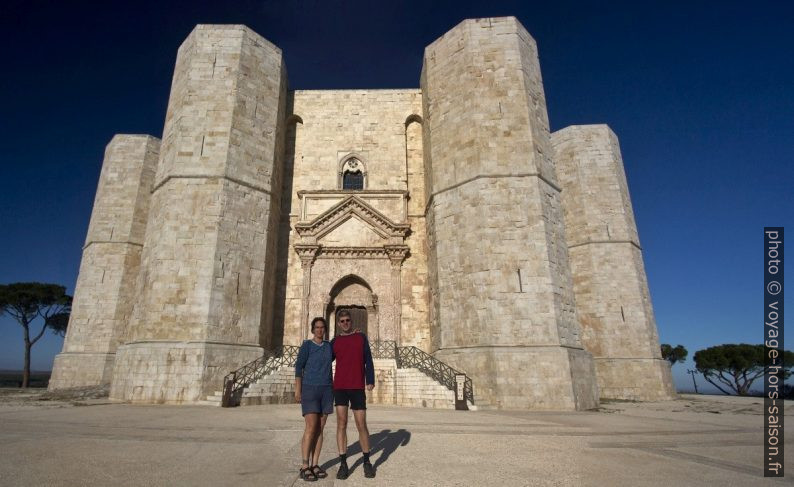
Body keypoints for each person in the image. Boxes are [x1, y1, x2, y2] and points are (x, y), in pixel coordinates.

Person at [331, 309, 376, 479]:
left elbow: (368, 359)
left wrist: (370, 379)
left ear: (352, 321)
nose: (345, 323)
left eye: (347, 320)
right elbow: (324, 358)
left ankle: (366, 461)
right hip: (340, 387)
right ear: (338, 323)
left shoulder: (361, 337)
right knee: (341, 423)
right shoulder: (334, 342)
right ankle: (343, 463)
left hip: (357, 386)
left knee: (361, 424)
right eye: (342, 321)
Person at [294, 317, 334, 482]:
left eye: (322, 327)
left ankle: (315, 463)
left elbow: (342, 349)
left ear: (325, 329)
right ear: (312, 330)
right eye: (317, 327)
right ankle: (305, 465)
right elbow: (298, 367)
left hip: (326, 390)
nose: (319, 330)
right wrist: (298, 390)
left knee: (320, 428)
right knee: (311, 427)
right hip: (310, 389)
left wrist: (355, 335)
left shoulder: (329, 346)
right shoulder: (307, 345)